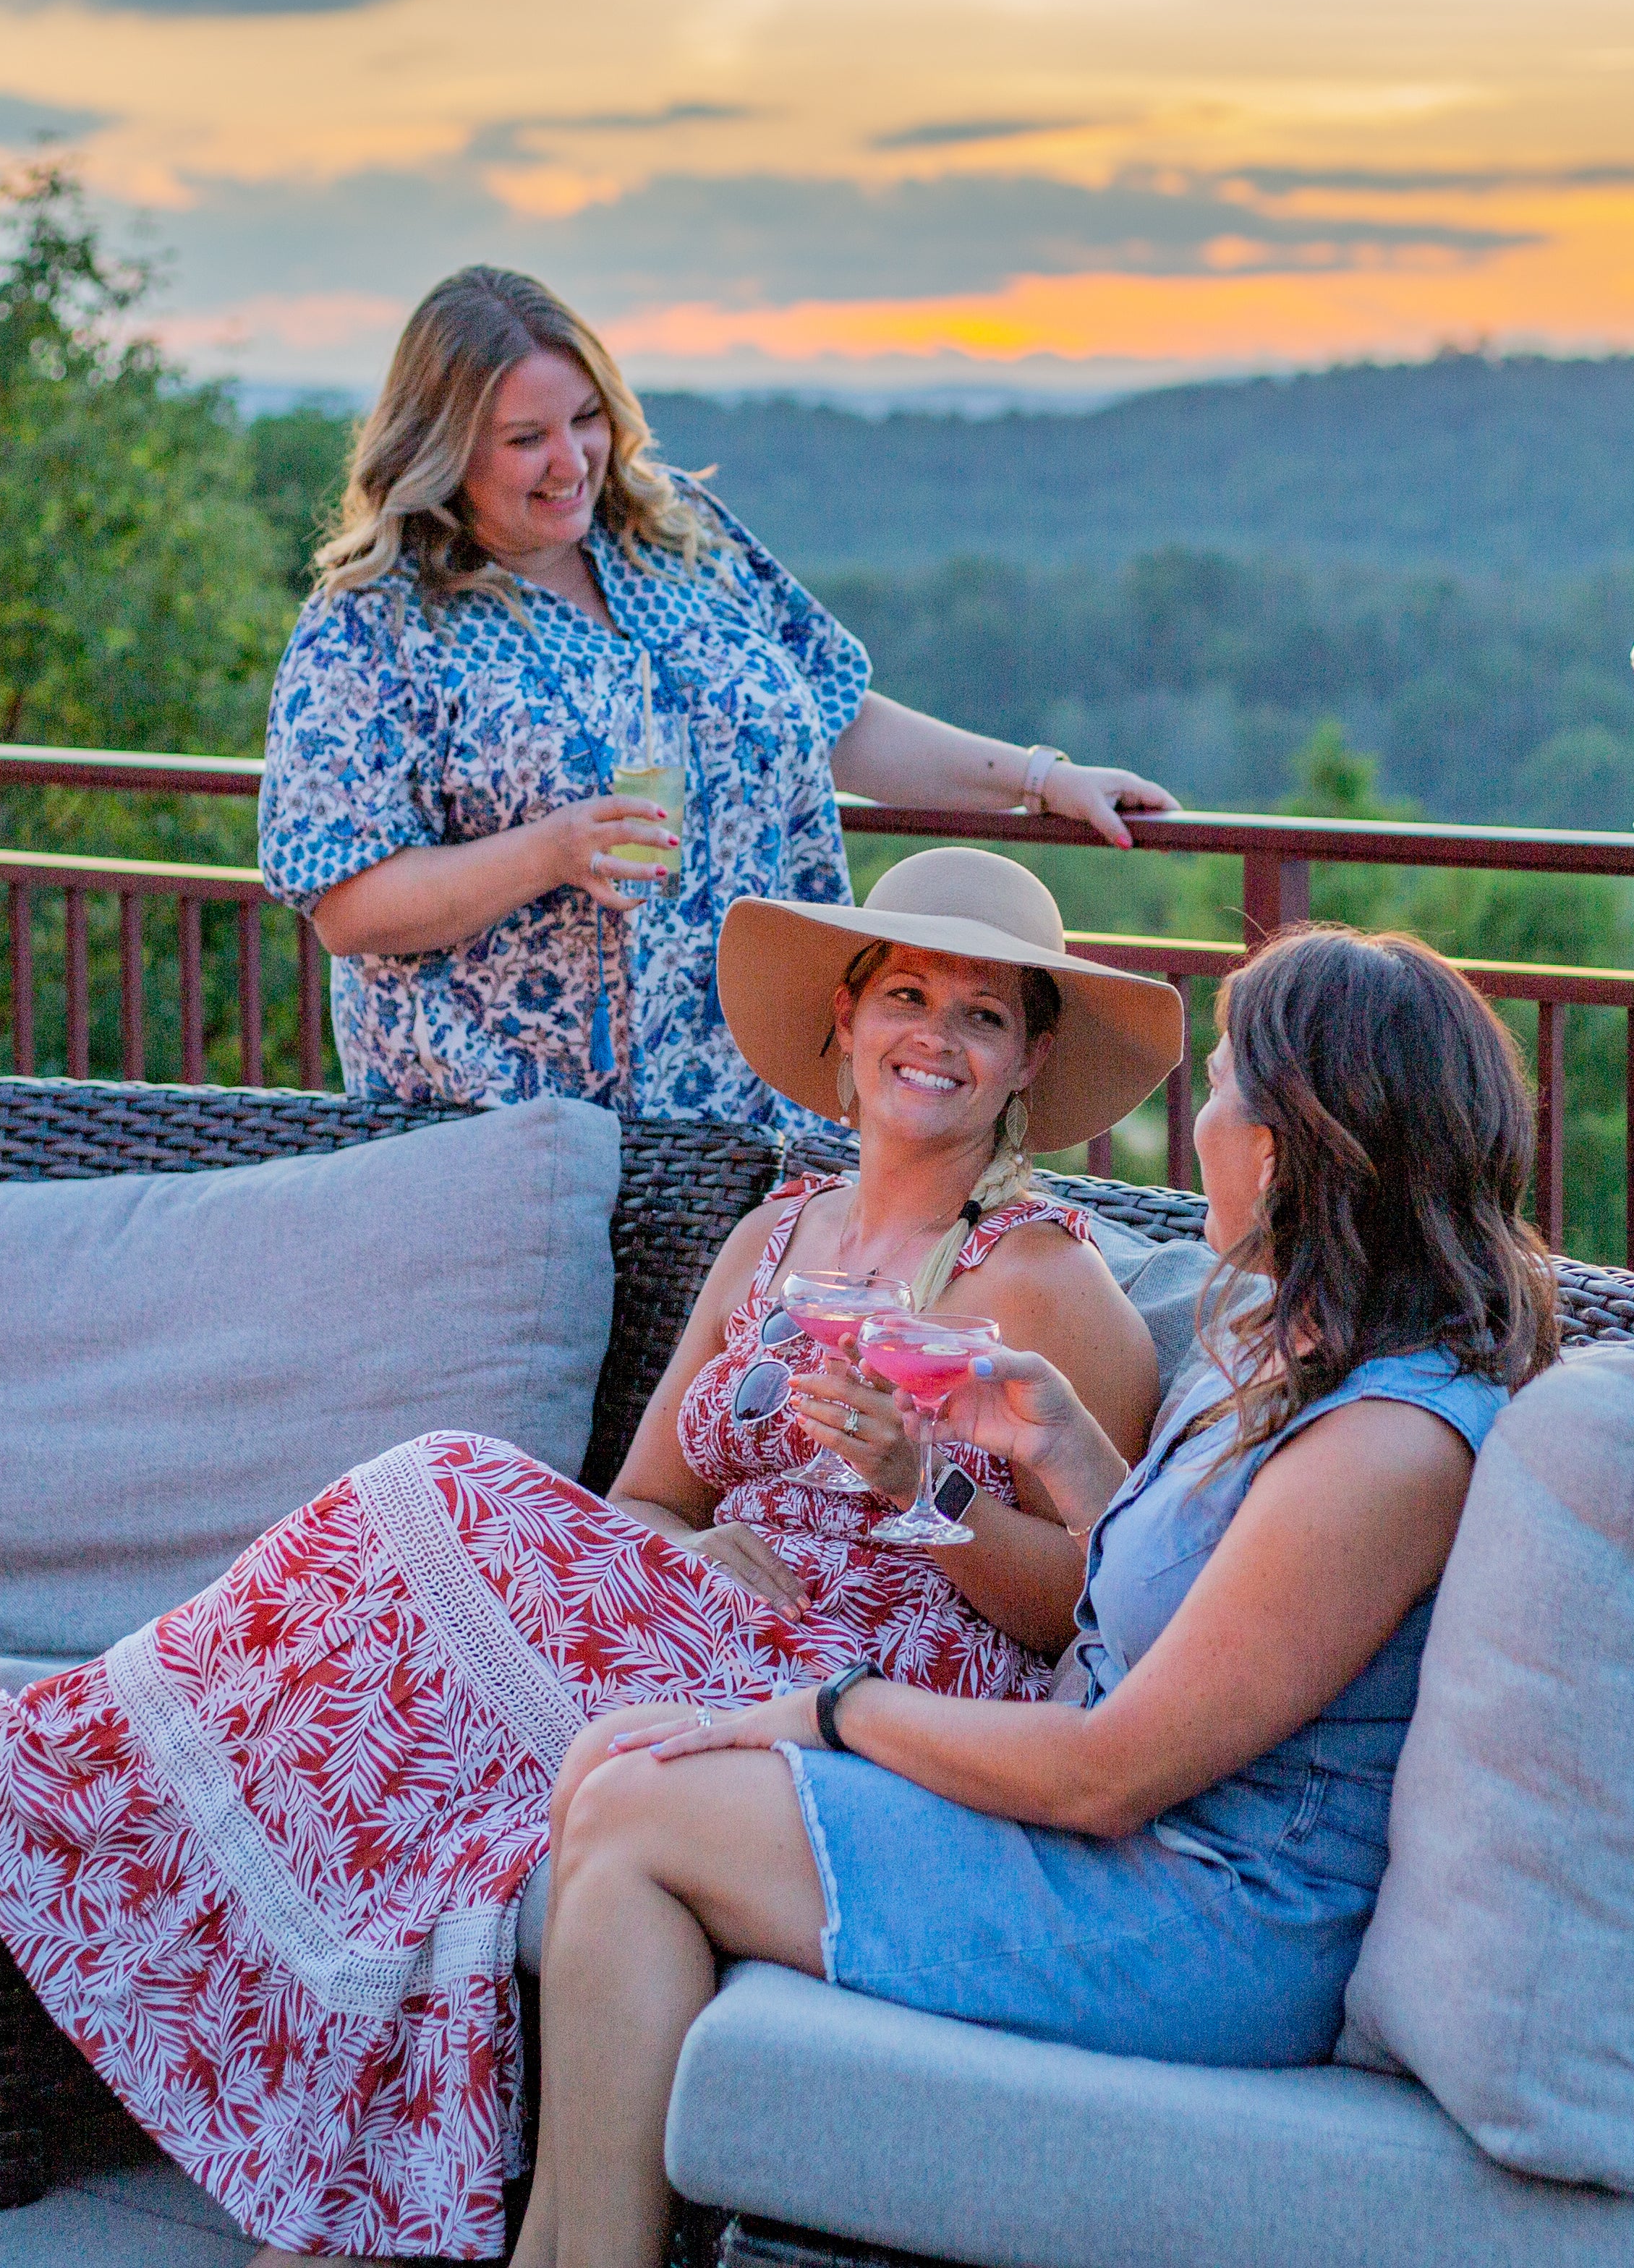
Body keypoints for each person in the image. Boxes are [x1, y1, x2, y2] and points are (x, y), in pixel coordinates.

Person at [0, 847, 1182, 2265]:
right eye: (908, 996)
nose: (932, 1037)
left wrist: (915, 1496)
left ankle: (38, 1777)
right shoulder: (772, 1236)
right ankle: (356, 2171)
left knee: (434, 1488)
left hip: (882, 1687)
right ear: (846, 1018)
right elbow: (646, 1498)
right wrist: (676, 1572)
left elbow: (1103, 1603)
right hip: (705, 1620)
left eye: (982, 1015)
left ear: (1026, 1060)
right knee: (428, 1709)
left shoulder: (1044, 1278)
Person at [508, 924, 1558, 2268]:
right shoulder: (1295, 1350)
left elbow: (1106, 1771)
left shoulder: (1386, 1445)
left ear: (1293, 1143)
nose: (1201, 1125)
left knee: (642, 1803)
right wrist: (1050, 1444)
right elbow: (1153, 1602)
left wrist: (828, 1710)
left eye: (1228, 1087)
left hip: (1201, 1913)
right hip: (1130, 1851)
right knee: (618, 1759)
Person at [258, 265, 1173, 1131]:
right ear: (444, 449)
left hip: (753, 1105)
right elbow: (345, 902)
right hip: (505, 1129)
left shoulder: (678, 534)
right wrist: (550, 852)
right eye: (525, 439)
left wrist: (1041, 777)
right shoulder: (374, 623)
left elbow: (833, 717)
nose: (571, 460)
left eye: (586, 418)